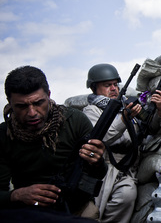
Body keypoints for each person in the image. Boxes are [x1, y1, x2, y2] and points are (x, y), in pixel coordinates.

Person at [0, 65, 107, 220]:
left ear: (49, 95)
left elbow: (98, 173)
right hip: (28, 211)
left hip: (75, 207)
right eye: (22, 106)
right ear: (10, 102)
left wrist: (96, 161)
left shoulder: (75, 121)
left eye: (38, 103)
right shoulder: (4, 135)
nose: (32, 113)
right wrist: (16, 195)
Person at [83, 63, 161, 223]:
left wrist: (160, 110)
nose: (113, 88)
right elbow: (101, 138)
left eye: (115, 84)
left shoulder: (127, 105)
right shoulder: (92, 111)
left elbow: (149, 128)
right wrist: (123, 119)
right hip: (105, 167)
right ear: (94, 88)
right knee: (94, 210)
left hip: (127, 168)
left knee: (127, 195)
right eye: (107, 85)